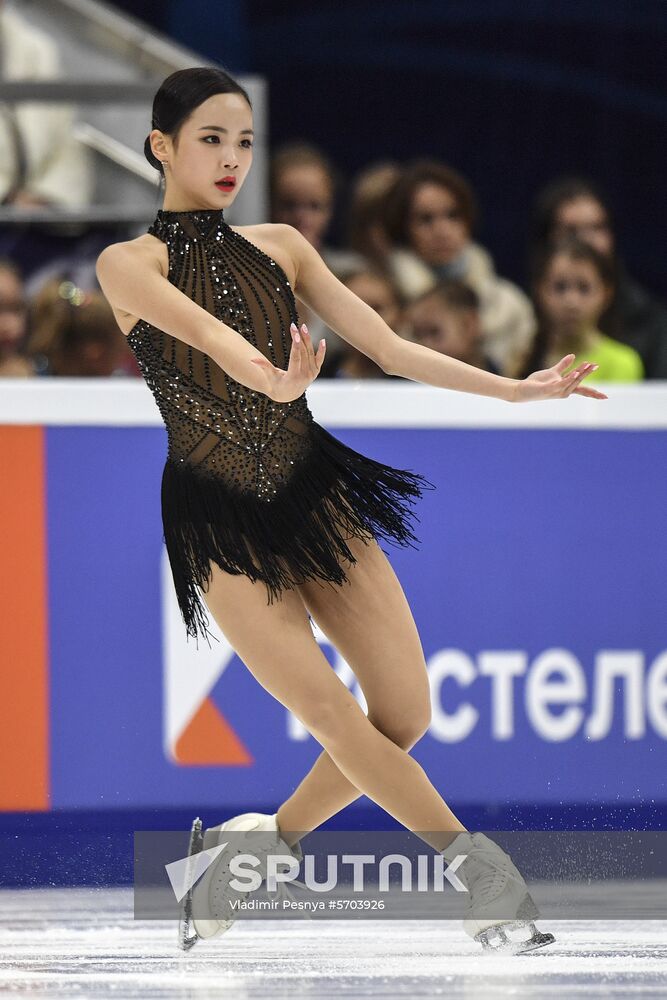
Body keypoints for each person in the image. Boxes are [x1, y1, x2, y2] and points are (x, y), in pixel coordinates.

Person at [96, 66, 603, 955]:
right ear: (160, 147)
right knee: (333, 713)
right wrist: (269, 374)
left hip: (315, 493)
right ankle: (479, 878)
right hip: (220, 519)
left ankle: (239, 860)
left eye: (243, 140)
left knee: (404, 714)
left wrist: (512, 393)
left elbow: (391, 345)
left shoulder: (284, 245)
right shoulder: (126, 265)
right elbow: (208, 335)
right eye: (209, 139)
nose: (230, 159)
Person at [382, 159, 536, 378]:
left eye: (453, 215)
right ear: (403, 229)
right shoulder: (387, 304)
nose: (442, 230)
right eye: (426, 219)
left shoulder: (508, 305)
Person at [529, 176, 667, 379]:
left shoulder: (650, 320)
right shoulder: (523, 336)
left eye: (596, 227)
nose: (572, 301)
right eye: (571, 230)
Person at [517, 238, 644, 383]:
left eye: (584, 288)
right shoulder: (522, 358)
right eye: (560, 287)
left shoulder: (623, 362)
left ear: (606, 294)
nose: (572, 302)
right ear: (540, 291)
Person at [405, 278, 501, 375]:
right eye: (417, 335)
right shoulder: (405, 383)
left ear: (469, 325)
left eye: (434, 332)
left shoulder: (507, 379)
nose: (425, 345)